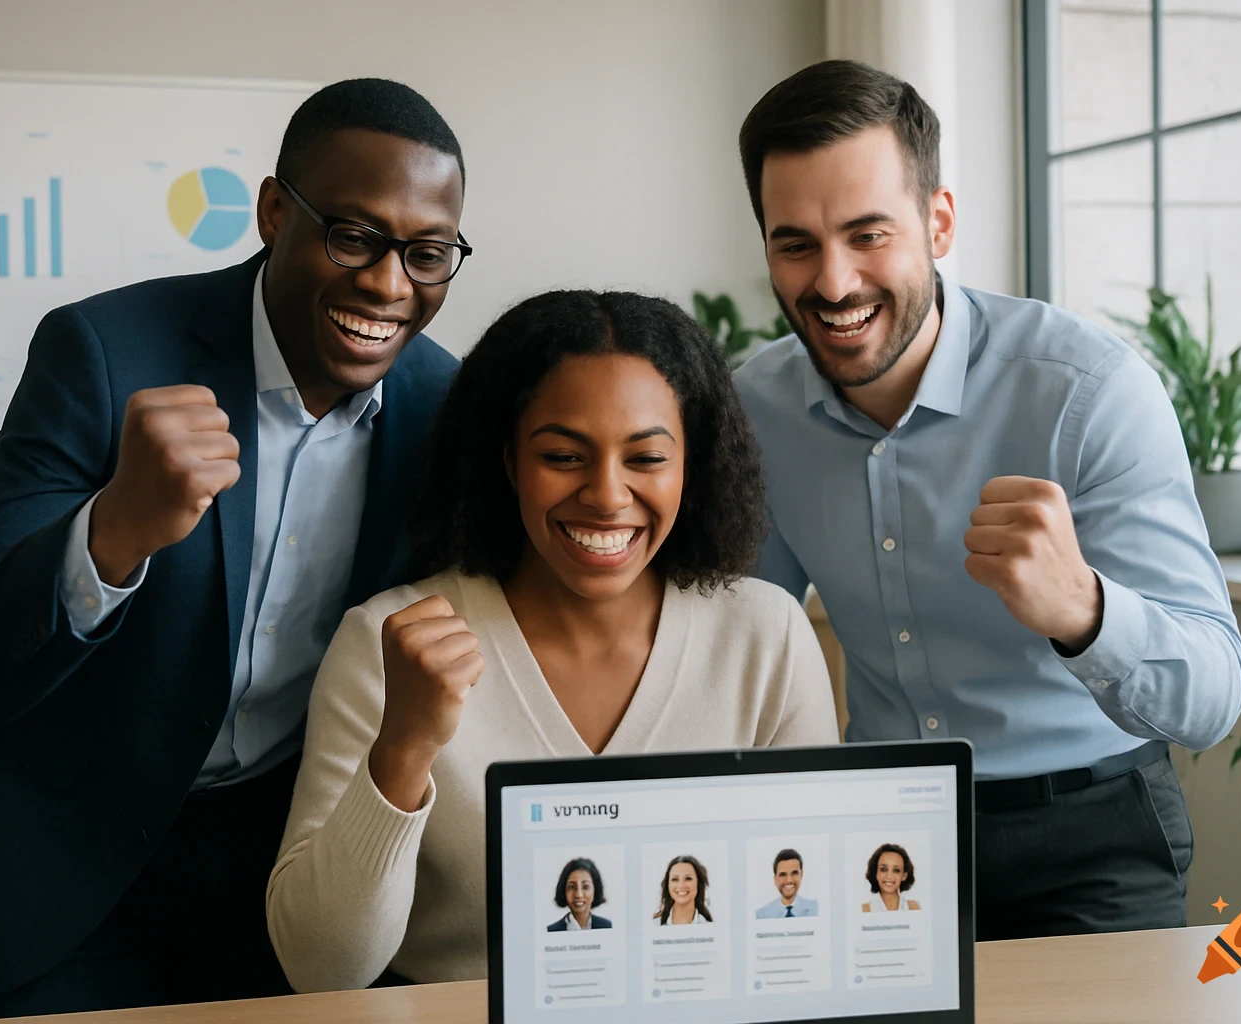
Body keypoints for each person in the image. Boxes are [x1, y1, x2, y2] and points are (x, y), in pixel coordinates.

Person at [0, 79, 467, 1018]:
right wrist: (112, 531)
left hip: (283, 880)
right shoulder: (105, 349)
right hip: (69, 880)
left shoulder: (448, 411)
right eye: (354, 235)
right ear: (274, 211)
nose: (388, 282)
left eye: (428, 252)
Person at [732, 60, 1241, 941]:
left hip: (1093, 831)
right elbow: (737, 632)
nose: (834, 282)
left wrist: (1084, 610)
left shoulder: (1089, 392)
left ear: (938, 222)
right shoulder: (754, 411)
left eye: (868, 234)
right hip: (885, 833)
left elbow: (1213, 698)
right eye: (796, 244)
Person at [265, 289, 840, 991]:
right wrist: (404, 747)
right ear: (507, 461)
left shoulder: (767, 637)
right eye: (564, 456)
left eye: (647, 458)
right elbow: (322, 970)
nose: (606, 494)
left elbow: (808, 929)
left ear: (692, 464)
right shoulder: (389, 644)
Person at [546, 858, 613, 932]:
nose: (579, 895)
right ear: (563, 890)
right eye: (572, 887)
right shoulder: (552, 931)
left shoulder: (607, 927)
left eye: (585, 887)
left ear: (595, 890)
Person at [755, 848, 818, 918]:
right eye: (783, 874)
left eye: (794, 873)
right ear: (775, 879)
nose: (789, 880)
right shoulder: (762, 915)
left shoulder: (816, 910)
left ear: (801, 875)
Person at [654, 855, 714, 925]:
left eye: (688, 878)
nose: (681, 885)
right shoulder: (654, 926)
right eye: (675, 879)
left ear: (698, 883)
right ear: (668, 885)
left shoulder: (710, 928)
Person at [860, 844, 920, 913]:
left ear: (904, 875)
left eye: (896, 870)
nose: (889, 876)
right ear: (876, 873)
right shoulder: (865, 909)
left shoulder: (913, 907)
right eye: (883, 869)